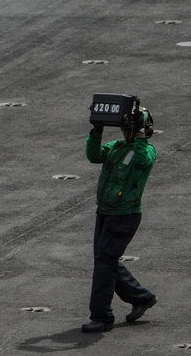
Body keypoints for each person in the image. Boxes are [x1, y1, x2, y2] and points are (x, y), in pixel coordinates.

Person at [81, 104, 158, 332]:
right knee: (105, 259)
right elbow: (94, 155)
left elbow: (143, 160)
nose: (128, 132)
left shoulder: (147, 150)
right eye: (127, 128)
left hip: (125, 215)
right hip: (106, 211)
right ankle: (141, 297)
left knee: (104, 262)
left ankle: (102, 316)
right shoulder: (117, 147)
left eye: (132, 128)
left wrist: (142, 136)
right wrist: (97, 131)